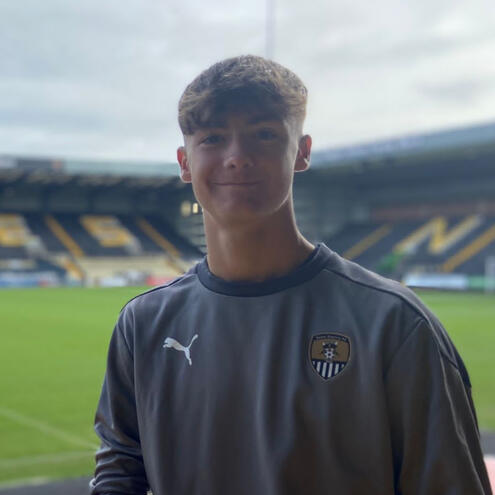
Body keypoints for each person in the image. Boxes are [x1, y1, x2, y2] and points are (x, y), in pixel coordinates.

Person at [91, 55, 492, 494]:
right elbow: (120, 471)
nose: (237, 157)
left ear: (301, 152)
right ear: (185, 163)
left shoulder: (395, 325)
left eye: (264, 134)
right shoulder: (143, 325)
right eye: (213, 138)